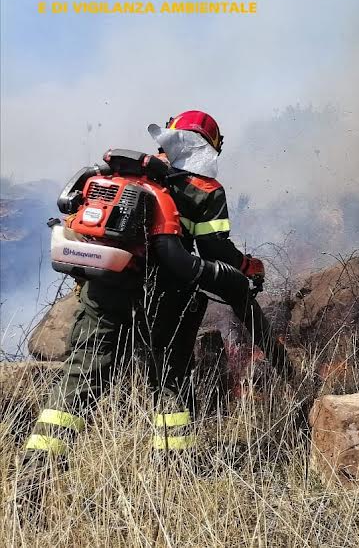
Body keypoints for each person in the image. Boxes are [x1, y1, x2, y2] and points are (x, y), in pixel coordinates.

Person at [18, 110, 264, 488]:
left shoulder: (127, 174)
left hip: (106, 289)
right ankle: (174, 469)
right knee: (169, 379)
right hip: (167, 298)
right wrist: (246, 267)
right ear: (212, 146)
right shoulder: (204, 189)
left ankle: (36, 472)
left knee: (81, 376)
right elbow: (215, 250)